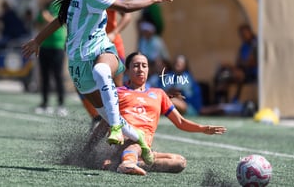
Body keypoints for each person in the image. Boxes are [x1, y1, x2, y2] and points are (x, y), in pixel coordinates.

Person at [22, 0, 173, 165]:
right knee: (104, 113)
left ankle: (117, 128)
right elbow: (60, 19)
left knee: (101, 72)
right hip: (78, 62)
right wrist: (37, 40)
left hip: (103, 50)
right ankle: (138, 138)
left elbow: (126, 8)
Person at [90, 52, 227, 176]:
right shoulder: (117, 92)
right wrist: (87, 150)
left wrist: (203, 129)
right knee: (134, 141)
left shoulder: (159, 94)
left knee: (179, 162)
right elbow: (106, 121)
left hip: (144, 146)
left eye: (144, 65)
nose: (140, 69)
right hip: (123, 139)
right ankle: (126, 164)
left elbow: (180, 122)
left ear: (148, 70)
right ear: (128, 70)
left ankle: (123, 162)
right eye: (136, 65)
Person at [79, 0, 131, 128]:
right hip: (89, 47)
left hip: (111, 46)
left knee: (117, 87)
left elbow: (127, 15)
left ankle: (124, 122)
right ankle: (97, 119)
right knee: (81, 84)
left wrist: (115, 32)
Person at [35, 0, 68, 116]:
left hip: (57, 46)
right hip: (45, 45)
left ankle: (61, 105)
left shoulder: (59, 5)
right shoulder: (44, 7)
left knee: (58, 76)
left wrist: (46, 16)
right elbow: (38, 24)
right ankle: (45, 103)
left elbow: (57, 22)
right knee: (45, 76)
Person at [213, 23, 258, 104]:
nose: (243, 36)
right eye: (241, 34)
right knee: (223, 74)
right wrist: (231, 66)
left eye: (244, 34)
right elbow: (239, 62)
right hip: (242, 70)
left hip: (252, 73)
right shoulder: (243, 46)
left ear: (250, 32)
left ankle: (236, 98)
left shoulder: (255, 44)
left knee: (236, 75)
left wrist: (235, 65)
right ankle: (221, 100)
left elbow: (251, 63)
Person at [137, 21, 170, 87]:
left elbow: (158, 56)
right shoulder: (142, 41)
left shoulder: (157, 41)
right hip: (148, 62)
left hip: (159, 61)